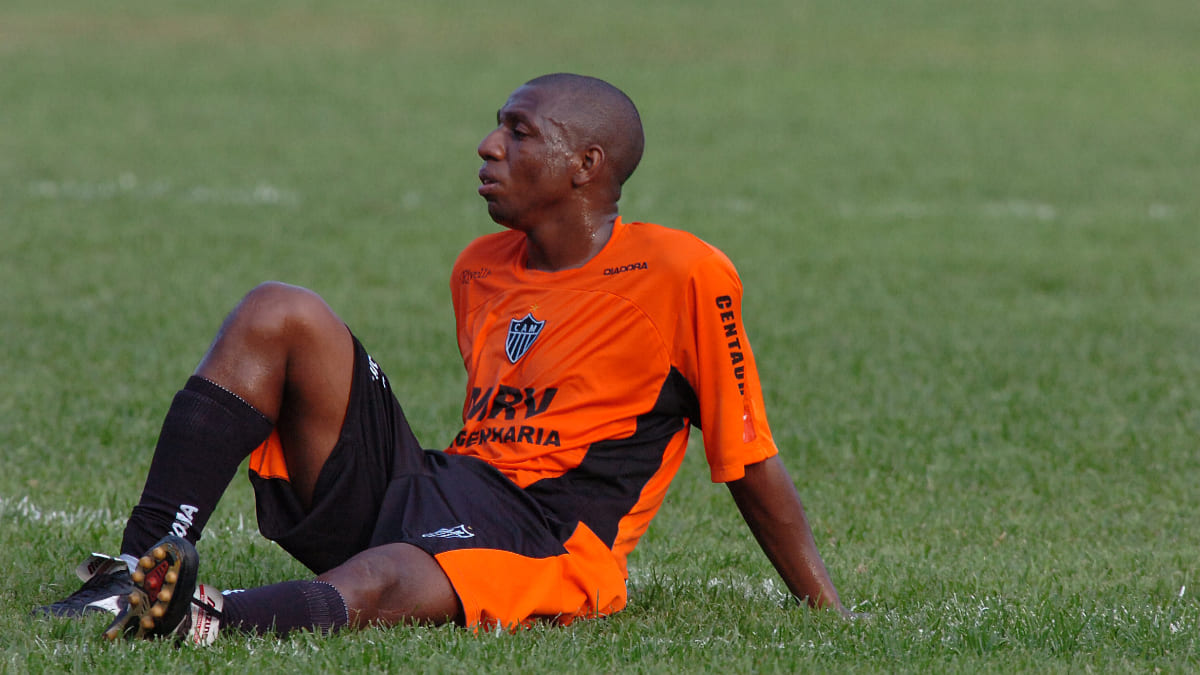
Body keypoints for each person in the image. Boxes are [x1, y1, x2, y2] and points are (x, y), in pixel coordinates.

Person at [35, 73, 852, 643]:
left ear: (585, 167)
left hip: (551, 535)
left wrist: (825, 609)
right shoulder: (480, 267)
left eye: (518, 131)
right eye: (498, 125)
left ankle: (201, 615)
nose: (487, 145)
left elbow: (749, 459)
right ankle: (133, 567)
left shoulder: (684, 273)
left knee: (395, 571)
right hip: (443, 485)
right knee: (278, 310)